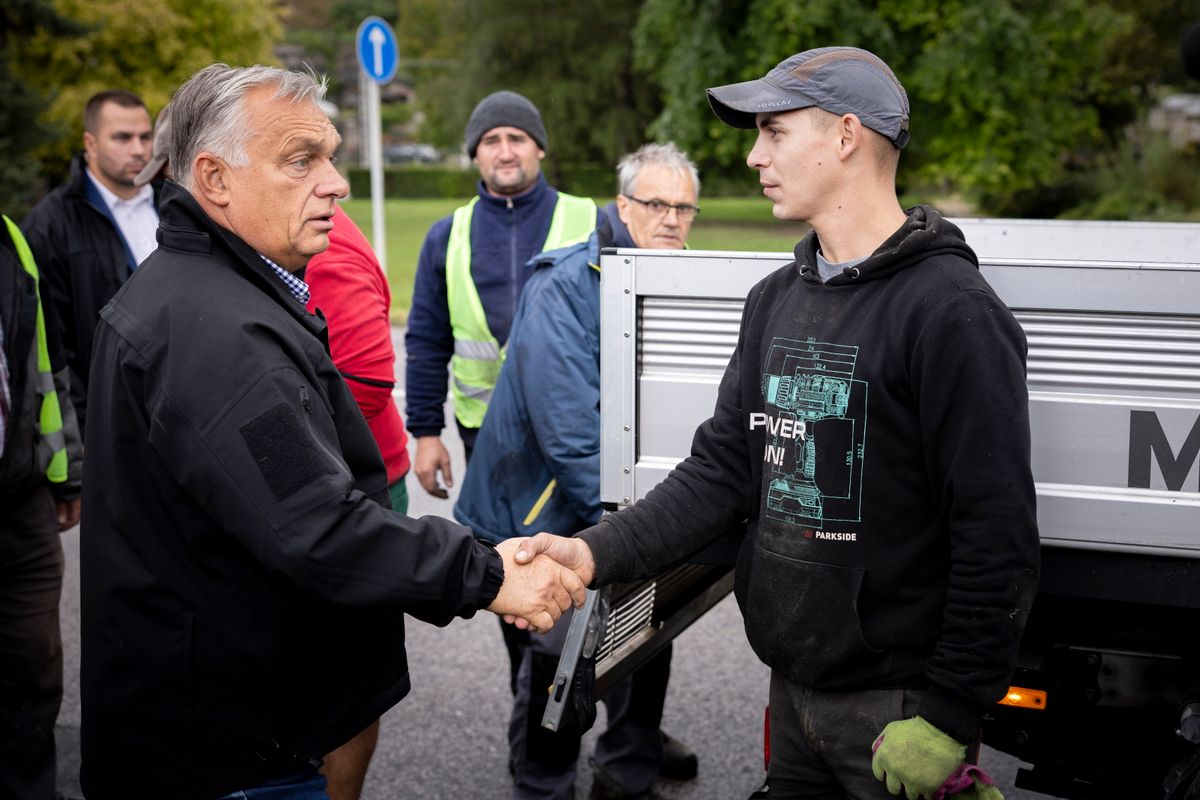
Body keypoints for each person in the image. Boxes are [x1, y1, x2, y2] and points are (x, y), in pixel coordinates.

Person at [515, 46, 1039, 800]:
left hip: (899, 720)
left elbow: (997, 532)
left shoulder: (950, 312)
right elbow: (722, 473)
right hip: (793, 695)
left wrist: (950, 717)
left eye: (774, 131)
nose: (755, 154)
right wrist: (589, 554)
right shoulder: (774, 299)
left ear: (847, 137)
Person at [78, 64, 586, 800]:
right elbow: (316, 522)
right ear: (215, 180)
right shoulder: (217, 333)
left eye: (333, 156)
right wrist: (492, 575)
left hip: (231, 713)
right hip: (228, 749)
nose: (337, 183)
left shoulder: (215, 293)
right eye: (301, 160)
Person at [455, 143, 702, 800]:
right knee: (555, 660)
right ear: (622, 206)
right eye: (657, 204)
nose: (672, 219)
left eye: (684, 207)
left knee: (647, 633)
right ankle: (543, 782)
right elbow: (570, 433)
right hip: (535, 512)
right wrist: (647, 533)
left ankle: (627, 765)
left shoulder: (669, 276)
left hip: (620, 509)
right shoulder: (566, 285)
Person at [405, 90, 598, 500]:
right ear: (476, 154)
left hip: (577, 428)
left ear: (540, 148)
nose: (505, 152)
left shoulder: (593, 221)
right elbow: (426, 340)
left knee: (579, 554)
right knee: (496, 555)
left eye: (517, 138)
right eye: (491, 141)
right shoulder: (447, 235)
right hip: (485, 433)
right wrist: (425, 434)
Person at [304, 206, 412, 800]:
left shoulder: (321, 242)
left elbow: (367, 381)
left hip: (353, 481)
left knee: (346, 677)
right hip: (344, 477)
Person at [0, 215, 83, 800]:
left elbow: (42, 367)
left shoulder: (9, 239)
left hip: (19, 499)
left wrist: (65, 471)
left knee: (32, 669)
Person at [21, 90, 159, 432]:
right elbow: (55, 348)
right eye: (122, 138)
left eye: (145, 136)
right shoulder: (50, 226)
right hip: (111, 423)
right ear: (91, 143)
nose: (139, 149)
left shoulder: (175, 204)